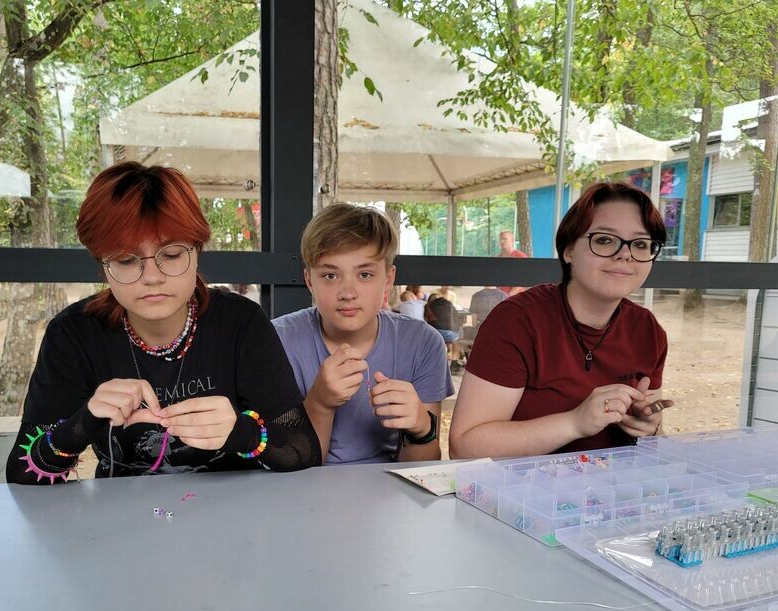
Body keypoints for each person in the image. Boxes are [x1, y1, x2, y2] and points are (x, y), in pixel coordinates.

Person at [6, 162, 320, 483]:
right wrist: (82, 424)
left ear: (197, 252)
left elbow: (303, 449)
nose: (152, 277)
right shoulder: (74, 334)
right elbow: (21, 472)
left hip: (232, 508)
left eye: (171, 255)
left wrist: (245, 433)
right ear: (103, 265)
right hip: (122, 510)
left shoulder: (240, 324)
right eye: (126, 260)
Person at [449, 182, 673, 459]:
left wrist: (649, 429)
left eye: (640, 244)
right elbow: (465, 448)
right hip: (524, 484)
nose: (625, 254)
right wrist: (574, 423)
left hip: (613, 483)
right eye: (604, 240)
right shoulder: (517, 321)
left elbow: (654, 441)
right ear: (568, 250)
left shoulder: (647, 330)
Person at [272, 203, 453, 464]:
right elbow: (290, 466)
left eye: (365, 274)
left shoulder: (423, 343)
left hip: (390, 485)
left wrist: (421, 428)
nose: (348, 293)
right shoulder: (277, 341)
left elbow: (421, 469)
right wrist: (320, 403)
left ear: (388, 279)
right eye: (330, 275)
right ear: (310, 280)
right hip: (302, 482)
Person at [497, 229, 528, 296]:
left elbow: (523, 276)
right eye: (500, 239)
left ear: (512, 241)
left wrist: (512, 293)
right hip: (501, 295)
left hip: (516, 296)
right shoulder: (498, 258)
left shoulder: (520, 256)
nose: (501, 241)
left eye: (505, 239)